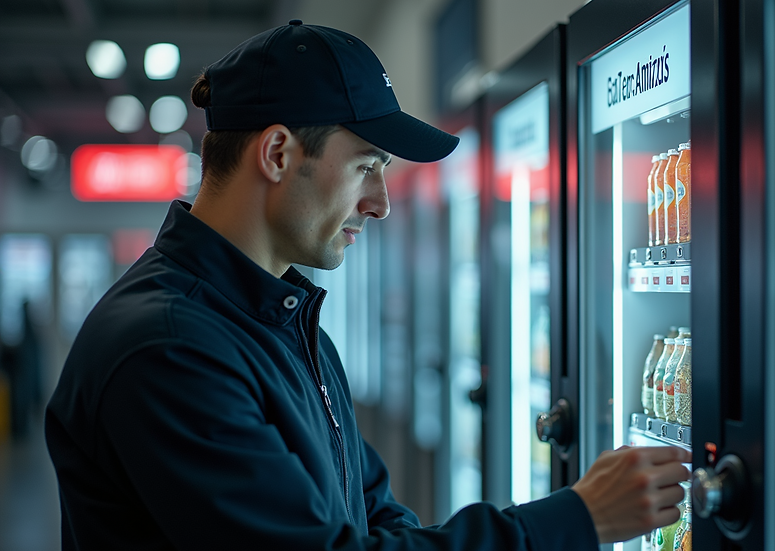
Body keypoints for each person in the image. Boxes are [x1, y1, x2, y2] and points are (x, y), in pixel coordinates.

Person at [45, 21, 691, 550]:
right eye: (365, 167)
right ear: (277, 154)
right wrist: (575, 518)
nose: (381, 203)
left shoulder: (282, 322)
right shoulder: (169, 349)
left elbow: (373, 517)